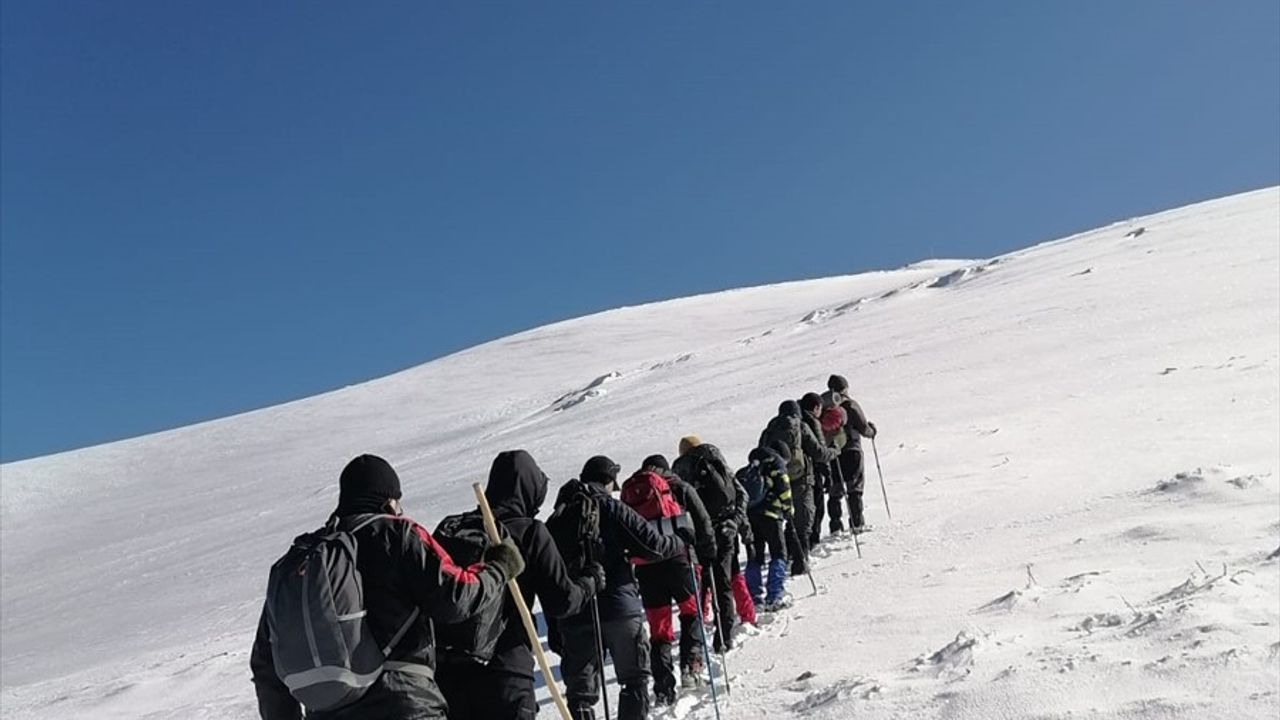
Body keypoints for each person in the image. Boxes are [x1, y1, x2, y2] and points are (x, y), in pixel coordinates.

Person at [250, 454, 522, 720]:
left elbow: (265, 663)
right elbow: (455, 597)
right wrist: (499, 567)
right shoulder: (398, 534)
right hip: (403, 703)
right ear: (389, 501)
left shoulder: (301, 561)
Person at [436, 450, 606, 720]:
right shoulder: (530, 532)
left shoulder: (453, 529)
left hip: (448, 676)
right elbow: (562, 602)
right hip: (507, 671)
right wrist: (590, 582)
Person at [548, 456, 683, 720]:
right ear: (609, 481)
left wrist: (555, 621)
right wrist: (680, 540)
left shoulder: (558, 516)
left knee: (580, 694)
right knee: (634, 680)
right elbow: (653, 546)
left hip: (575, 613)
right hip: (620, 608)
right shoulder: (612, 507)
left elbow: (549, 573)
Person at [632, 454, 717, 703]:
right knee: (691, 614)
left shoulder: (634, 493)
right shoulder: (679, 487)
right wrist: (708, 554)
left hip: (647, 568)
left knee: (659, 630)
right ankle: (691, 670)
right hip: (681, 562)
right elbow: (702, 522)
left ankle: (663, 687)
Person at [671, 436, 747, 651]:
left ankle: (696, 638)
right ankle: (723, 638)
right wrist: (735, 522)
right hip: (724, 530)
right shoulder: (717, 461)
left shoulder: (680, 469)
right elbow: (741, 494)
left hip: (697, 536)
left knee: (699, 586)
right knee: (723, 585)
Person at [740, 445, 793, 610]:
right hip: (772, 516)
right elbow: (784, 489)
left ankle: (755, 597)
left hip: (750, 517)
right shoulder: (776, 464)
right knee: (779, 553)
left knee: (755, 556)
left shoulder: (750, 469)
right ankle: (775, 595)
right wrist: (789, 510)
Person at [823, 374, 878, 533]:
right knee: (854, 488)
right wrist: (872, 431)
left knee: (835, 490)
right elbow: (864, 428)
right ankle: (857, 523)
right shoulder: (850, 405)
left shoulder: (826, 407)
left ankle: (835, 526)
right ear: (845, 388)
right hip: (852, 449)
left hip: (833, 452)